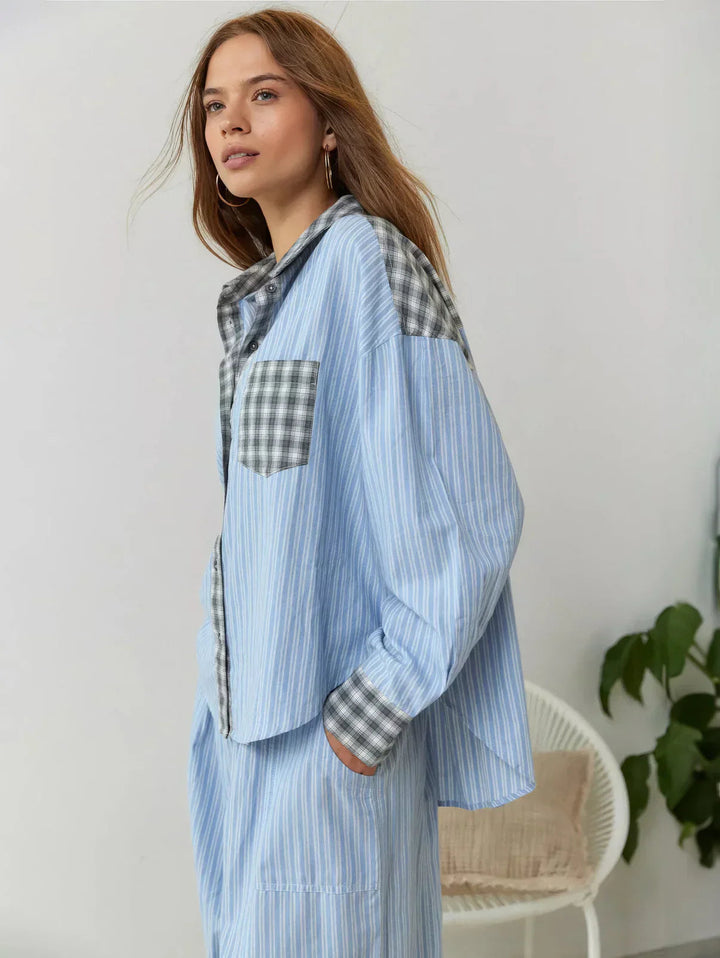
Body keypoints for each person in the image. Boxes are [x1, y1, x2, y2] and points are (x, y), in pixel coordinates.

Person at [134, 7, 536, 956]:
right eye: (213, 104)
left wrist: (369, 715)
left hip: (331, 743)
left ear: (328, 125)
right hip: (248, 736)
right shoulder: (271, 300)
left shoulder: (370, 266)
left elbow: (475, 512)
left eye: (263, 95)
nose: (229, 122)